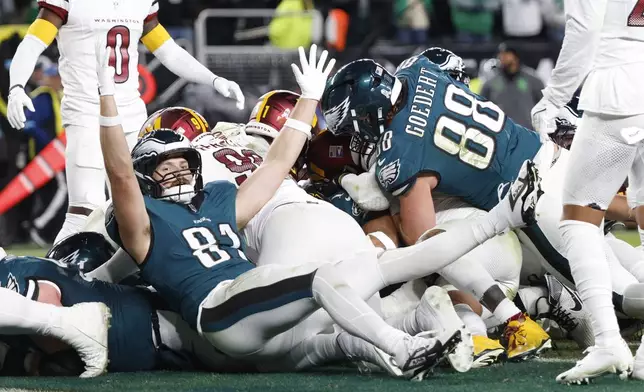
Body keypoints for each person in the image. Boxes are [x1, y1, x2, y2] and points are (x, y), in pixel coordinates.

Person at [321, 49, 552, 361]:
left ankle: (486, 330)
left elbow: (419, 239)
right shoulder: (420, 75)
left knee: (422, 278)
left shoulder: (392, 159)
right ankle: (540, 304)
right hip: (508, 226)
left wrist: (341, 182)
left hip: (473, 248)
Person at [6, 0, 245, 244]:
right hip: (86, 112)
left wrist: (213, 79)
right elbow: (33, 43)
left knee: (142, 206)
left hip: (130, 115)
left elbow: (167, 50)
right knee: (86, 209)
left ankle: (136, 276)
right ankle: (52, 275)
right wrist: (16, 86)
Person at [532, 0, 644, 376]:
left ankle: (609, 342)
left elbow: (585, 29)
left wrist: (554, 99)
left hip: (618, 94)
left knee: (578, 219)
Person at [0, 232, 253, 376]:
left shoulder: (13, 273)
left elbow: (64, 357)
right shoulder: (22, 269)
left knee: (254, 355)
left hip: (163, 328)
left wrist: (31, 362)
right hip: (160, 324)